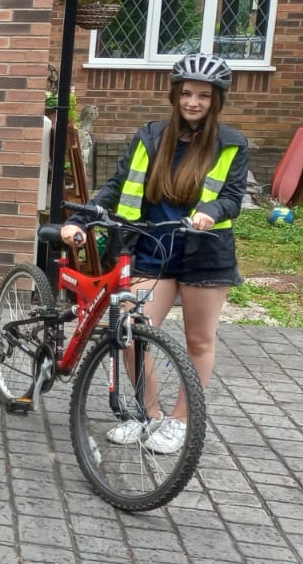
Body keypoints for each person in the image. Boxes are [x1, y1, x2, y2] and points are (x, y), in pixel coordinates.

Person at [61, 52, 247, 455]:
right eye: (187, 94)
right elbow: (119, 184)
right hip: (154, 246)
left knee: (199, 339)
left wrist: (210, 213)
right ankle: (149, 415)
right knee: (131, 329)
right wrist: (87, 216)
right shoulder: (151, 136)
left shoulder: (231, 143)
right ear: (175, 95)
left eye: (203, 95)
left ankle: (180, 422)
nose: (193, 102)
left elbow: (232, 196)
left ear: (217, 100)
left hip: (205, 253)